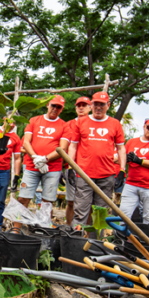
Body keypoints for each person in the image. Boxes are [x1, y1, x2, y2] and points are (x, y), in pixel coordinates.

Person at [67, 92, 126, 226]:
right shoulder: (81, 122)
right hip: (84, 174)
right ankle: (75, 242)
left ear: (108, 105)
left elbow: (121, 148)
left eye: (102, 104)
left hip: (106, 175)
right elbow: (73, 146)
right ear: (91, 105)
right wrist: (71, 167)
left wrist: (122, 170)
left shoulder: (115, 123)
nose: (98, 107)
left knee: (101, 213)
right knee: (81, 211)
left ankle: (96, 243)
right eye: (96, 104)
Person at [16, 96, 70, 226]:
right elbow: (26, 141)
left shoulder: (64, 125)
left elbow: (62, 148)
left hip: (52, 168)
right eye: (53, 105)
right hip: (31, 166)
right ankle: (16, 229)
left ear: (61, 109)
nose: (55, 109)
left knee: (47, 202)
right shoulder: (34, 120)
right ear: (47, 105)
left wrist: (45, 159)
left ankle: (43, 229)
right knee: (23, 198)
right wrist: (36, 158)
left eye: (59, 107)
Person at [0, 125, 22, 230]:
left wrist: (16, 175)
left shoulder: (15, 138)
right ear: (5, 119)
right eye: (9, 122)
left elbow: (17, 157)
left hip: (4, 172)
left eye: (13, 123)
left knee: (1, 200)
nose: (11, 125)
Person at [64, 96, 91, 226]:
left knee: (89, 203)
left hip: (88, 168)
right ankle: (70, 228)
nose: (81, 107)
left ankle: (88, 233)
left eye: (84, 105)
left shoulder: (94, 124)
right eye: (78, 105)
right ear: (75, 108)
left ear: (90, 108)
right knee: (71, 201)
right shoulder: (68, 124)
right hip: (71, 167)